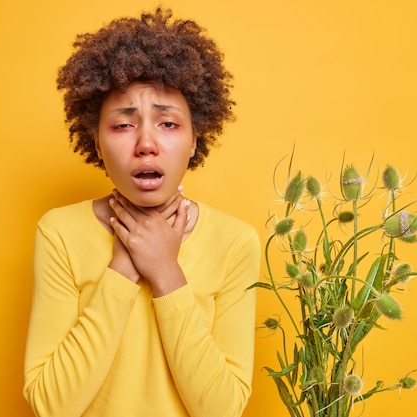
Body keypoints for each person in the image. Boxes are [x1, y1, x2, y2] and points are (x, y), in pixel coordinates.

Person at [23, 7, 261, 417]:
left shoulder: (235, 241)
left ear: (193, 140)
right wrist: (123, 266)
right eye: (123, 125)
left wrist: (166, 272)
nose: (146, 144)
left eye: (168, 124)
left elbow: (222, 410)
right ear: (96, 142)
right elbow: (50, 405)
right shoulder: (59, 233)